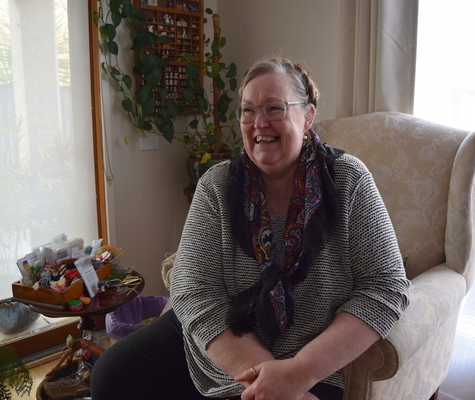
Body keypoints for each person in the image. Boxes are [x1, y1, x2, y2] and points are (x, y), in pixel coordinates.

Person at [90, 57, 410, 400]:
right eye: (247, 110)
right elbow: (193, 289)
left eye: (275, 108)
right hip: (223, 344)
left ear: (308, 117)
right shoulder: (216, 184)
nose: (259, 123)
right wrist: (267, 380)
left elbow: (385, 287)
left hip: (312, 355)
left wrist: (297, 375)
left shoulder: (350, 181)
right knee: (112, 374)